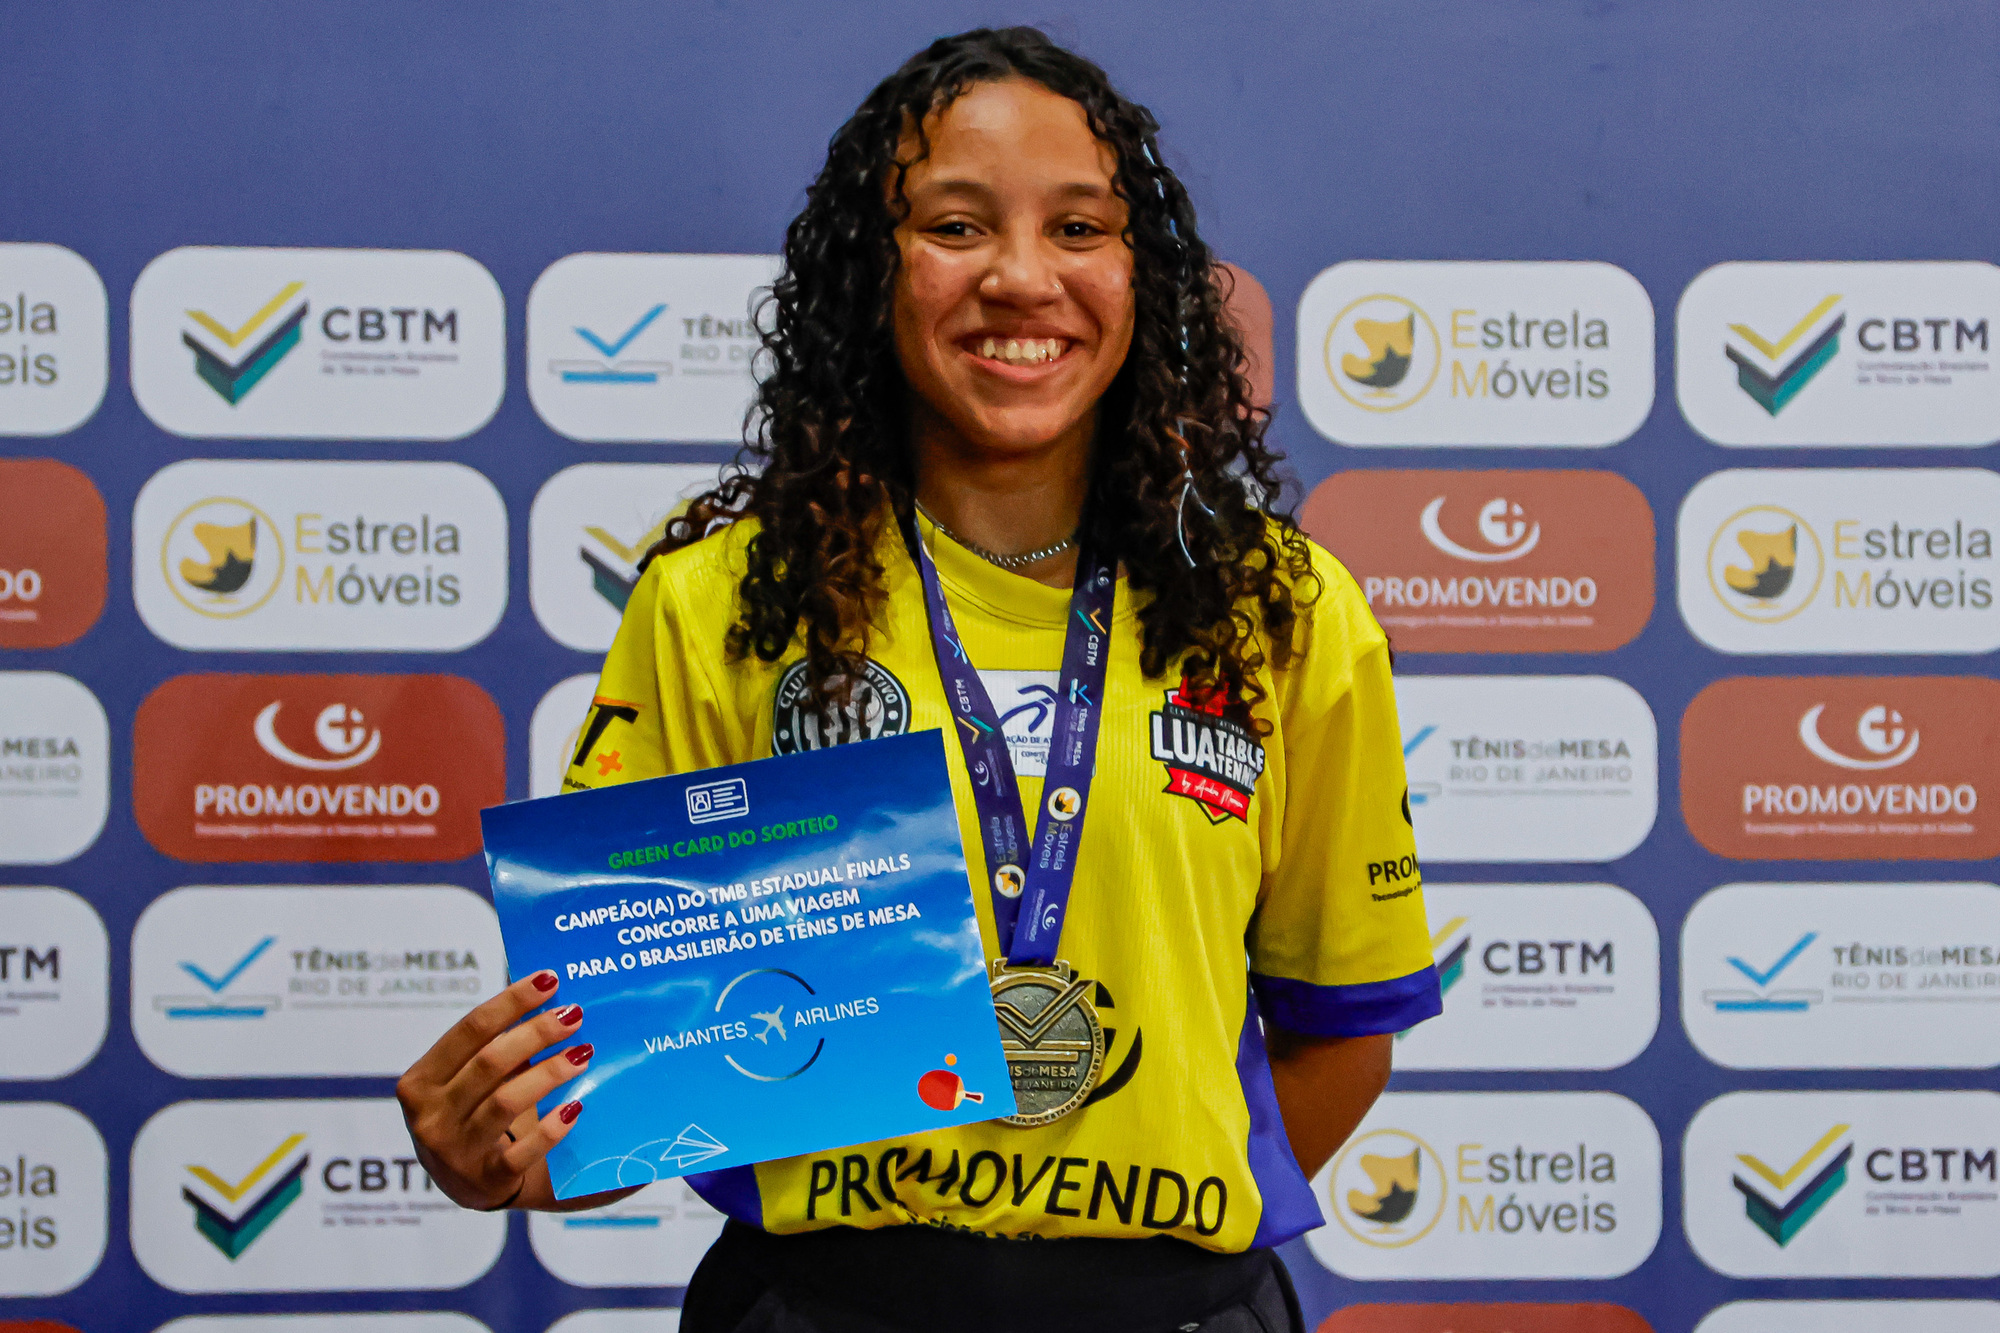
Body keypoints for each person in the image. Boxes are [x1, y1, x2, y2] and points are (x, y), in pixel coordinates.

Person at [399, 26, 1439, 1333]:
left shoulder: (1279, 611)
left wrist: (1116, 1249)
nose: (1022, 278)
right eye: (956, 226)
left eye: (1079, 228)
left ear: (1144, 275)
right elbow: (636, 1069)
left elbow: (1340, 1030)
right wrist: (501, 1144)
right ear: (872, 271)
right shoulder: (724, 603)